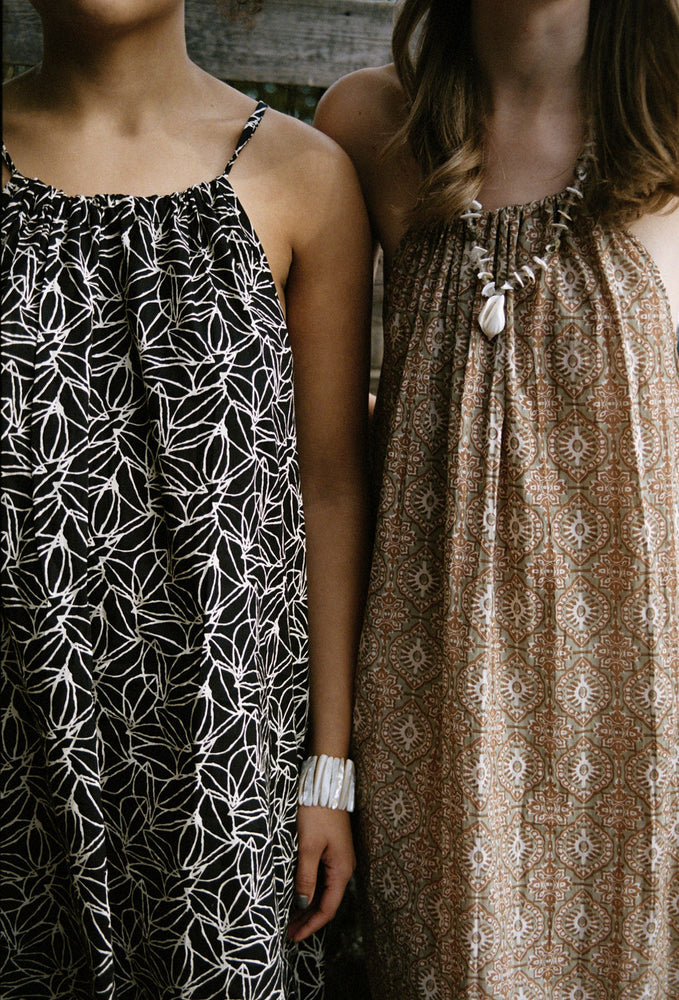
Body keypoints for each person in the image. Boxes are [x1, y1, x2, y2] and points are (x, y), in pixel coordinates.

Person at [0, 1, 372, 997]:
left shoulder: (303, 174)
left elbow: (330, 486)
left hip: (225, 759)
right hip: (20, 747)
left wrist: (325, 773)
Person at [314, 0, 679, 997]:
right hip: (434, 705)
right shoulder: (365, 126)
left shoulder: (670, 115)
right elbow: (330, 465)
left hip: (637, 716)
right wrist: (328, 769)